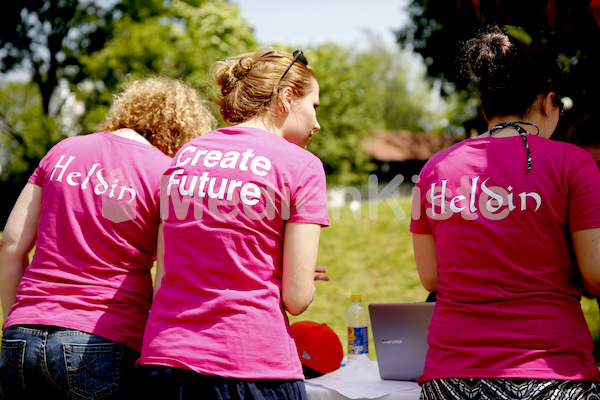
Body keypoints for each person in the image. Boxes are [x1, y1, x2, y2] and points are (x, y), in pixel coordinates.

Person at [410, 25, 600, 399]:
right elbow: (595, 274)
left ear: (484, 108)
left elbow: (432, 279)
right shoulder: (573, 163)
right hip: (552, 371)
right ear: (547, 102)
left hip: (452, 376)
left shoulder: (435, 169)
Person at [0, 76, 215, 399]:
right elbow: (171, 275)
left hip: (21, 337)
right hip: (103, 339)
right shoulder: (168, 175)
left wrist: (16, 320)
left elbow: (10, 243)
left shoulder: (64, 150)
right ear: (181, 130)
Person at [138, 49, 329, 400]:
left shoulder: (186, 154)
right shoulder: (303, 165)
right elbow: (298, 299)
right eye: (314, 107)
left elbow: (165, 271)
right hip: (252, 365)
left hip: (166, 361)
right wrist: (297, 277)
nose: (316, 123)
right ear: (287, 98)